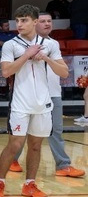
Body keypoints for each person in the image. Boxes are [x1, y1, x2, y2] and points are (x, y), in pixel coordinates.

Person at [0, 5, 68, 197]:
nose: (19, 24)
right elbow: (7, 72)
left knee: (35, 146)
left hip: (43, 103)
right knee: (14, 145)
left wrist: (45, 58)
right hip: (19, 103)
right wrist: (26, 55)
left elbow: (64, 72)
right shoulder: (11, 45)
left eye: (24, 20)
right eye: (17, 21)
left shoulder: (50, 45)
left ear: (35, 22)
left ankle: (30, 185)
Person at [35, 12, 84, 177]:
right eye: (43, 21)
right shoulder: (26, 43)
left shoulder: (54, 43)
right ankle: (13, 160)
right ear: (35, 23)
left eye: (49, 21)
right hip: (32, 95)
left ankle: (63, 165)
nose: (47, 24)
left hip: (54, 93)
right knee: (23, 133)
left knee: (56, 130)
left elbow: (62, 70)